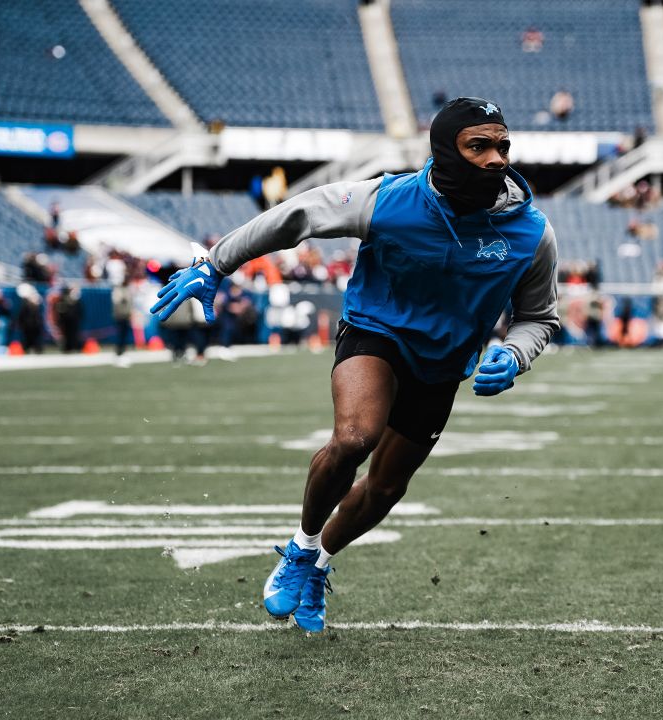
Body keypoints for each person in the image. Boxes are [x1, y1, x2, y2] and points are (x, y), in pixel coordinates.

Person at [150, 97, 559, 633]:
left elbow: (539, 317)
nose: (496, 158)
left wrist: (513, 352)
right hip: (377, 332)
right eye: (478, 146)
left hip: (443, 364)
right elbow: (295, 216)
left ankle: (320, 563)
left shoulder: (531, 231)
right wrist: (215, 262)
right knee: (353, 439)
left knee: (387, 488)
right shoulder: (387, 199)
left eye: (502, 145)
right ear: (443, 152)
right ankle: (301, 547)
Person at [111, 277, 135, 367]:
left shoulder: (128, 290)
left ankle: (122, 352)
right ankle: (119, 353)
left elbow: (130, 304)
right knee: (120, 336)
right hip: (120, 316)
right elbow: (118, 301)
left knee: (125, 336)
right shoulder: (118, 290)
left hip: (126, 316)